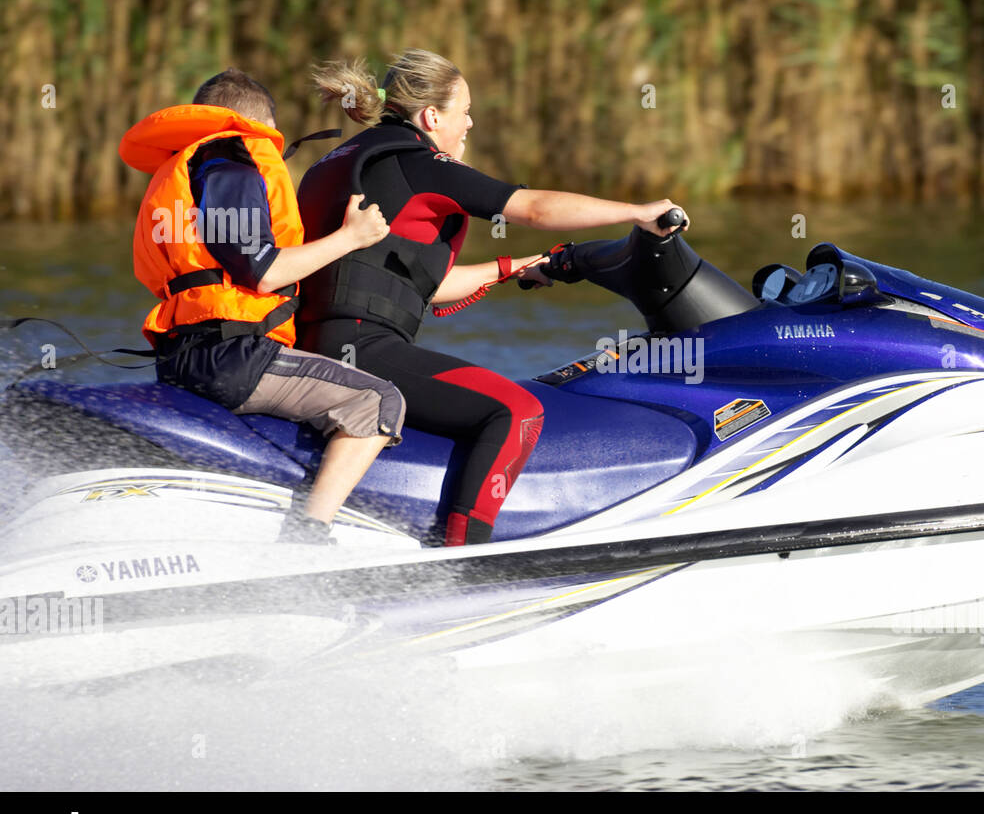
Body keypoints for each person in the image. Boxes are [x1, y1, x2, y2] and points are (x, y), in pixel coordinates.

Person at [295, 50, 688, 547]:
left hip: (323, 340)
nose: (470, 122)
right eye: (464, 110)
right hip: (363, 347)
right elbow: (534, 207)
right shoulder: (418, 161)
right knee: (515, 410)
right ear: (432, 117)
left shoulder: (342, 161)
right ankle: (465, 562)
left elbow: (416, 287)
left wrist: (510, 268)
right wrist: (639, 211)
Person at [120, 68, 407, 544]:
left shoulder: (183, 168)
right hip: (231, 355)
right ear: (258, 124)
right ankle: (308, 538)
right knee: (379, 401)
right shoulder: (230, 159)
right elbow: (264, 271)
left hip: (187, 352)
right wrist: (349, 238)